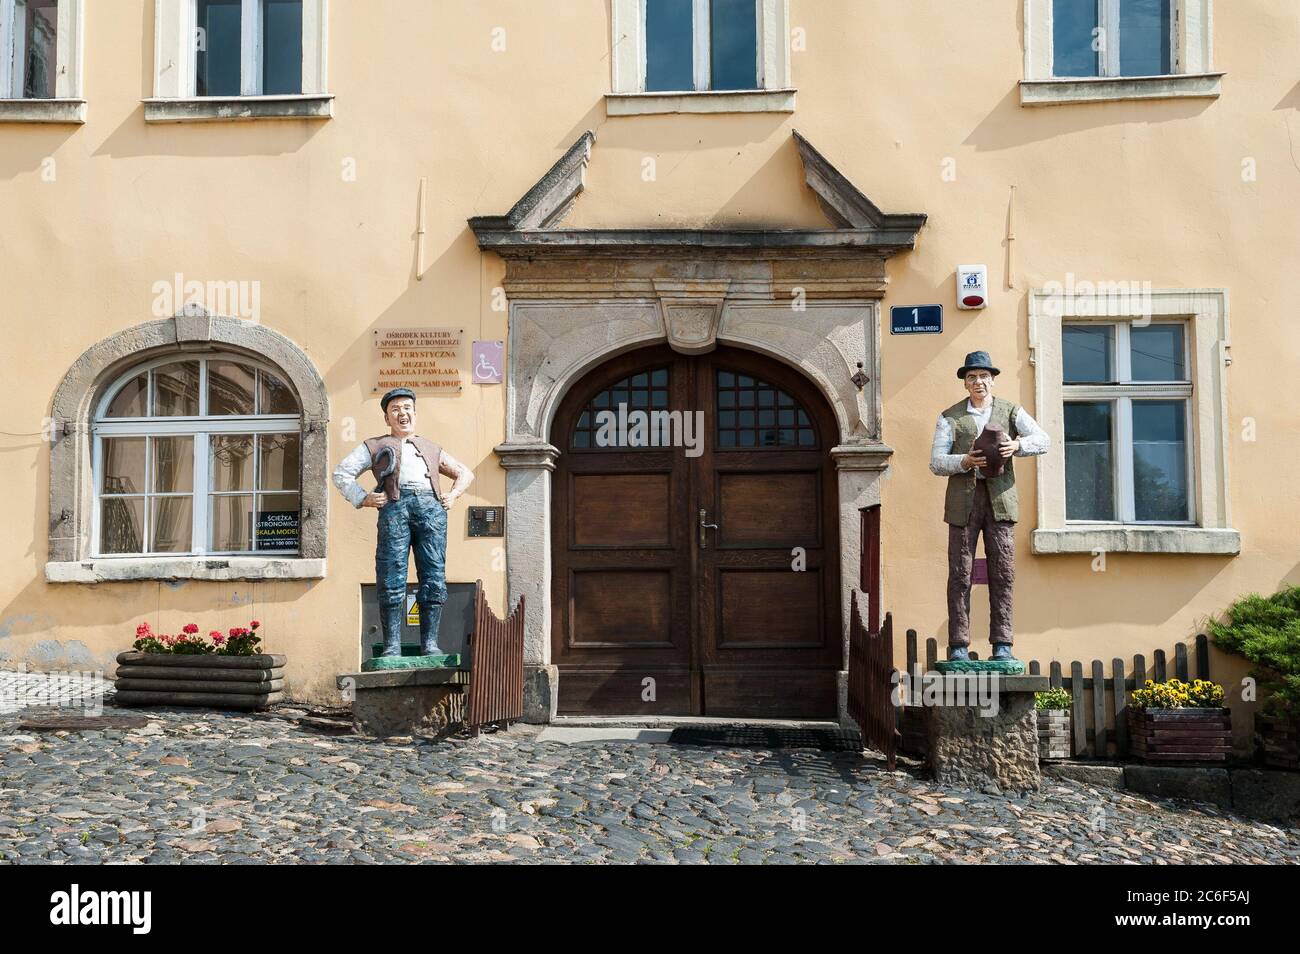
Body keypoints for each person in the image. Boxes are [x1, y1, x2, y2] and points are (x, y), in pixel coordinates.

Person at [332, 388, 474, 657]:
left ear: (415, 413)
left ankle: (430, 644)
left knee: (433, 575)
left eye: (407, 408)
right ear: (387, 418)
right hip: (395, 510)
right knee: (391, 575)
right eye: (395, 409)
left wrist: (453, 495)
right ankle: (392, 646)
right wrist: (363, 498)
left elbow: (465, 473)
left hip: (431, 512)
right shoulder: (374, 445)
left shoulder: (432, 448)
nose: (402, 414)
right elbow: (342, 473)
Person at [929, 351, 1050, 661]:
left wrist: (1017, 445)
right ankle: (958, 645)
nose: (978, 382)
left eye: (983, 376)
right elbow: (936, 462)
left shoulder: (1011, 411)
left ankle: (1003, 644)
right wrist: (965, 461)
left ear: (993, 380)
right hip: (962, 502)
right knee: (960, 572)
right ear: (965, 383)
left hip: (1000, 500)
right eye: (972, 377)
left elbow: (1044, 439)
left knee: (1003, 571)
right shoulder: (950, 417)